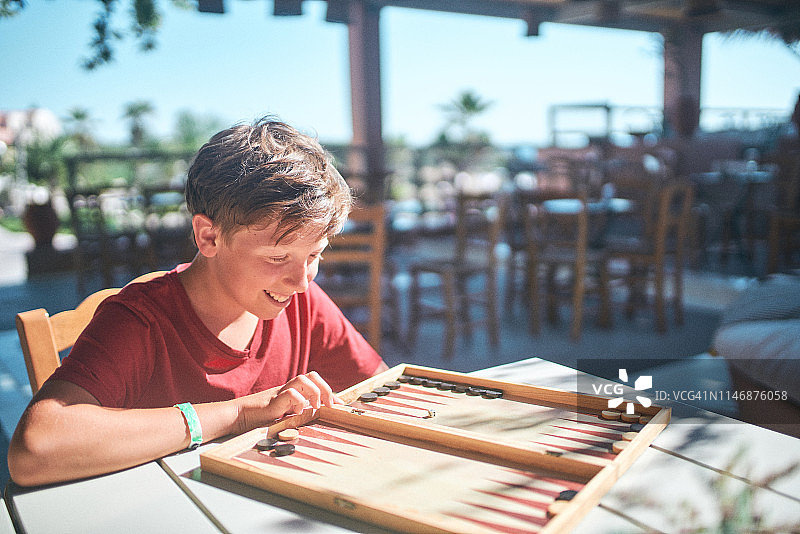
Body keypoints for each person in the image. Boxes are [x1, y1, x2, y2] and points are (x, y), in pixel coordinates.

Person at [8, 117, 388, 486]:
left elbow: (382, 389)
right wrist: (239, 414)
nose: (302, 282)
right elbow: (35, 449)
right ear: (208, 237)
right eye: (277, 257)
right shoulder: (141, 321)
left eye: (314, 255)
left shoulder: (301, 303)